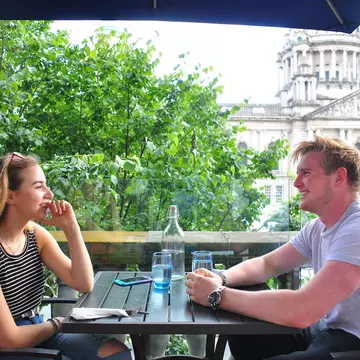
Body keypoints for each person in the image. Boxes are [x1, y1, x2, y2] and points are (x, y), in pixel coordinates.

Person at [185, 136, 360, 360]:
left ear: (339, 177)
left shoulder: (355, 229)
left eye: (305, 173)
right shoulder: (318, 227)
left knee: (235, 304)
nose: (296, 182)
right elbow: (267, 264)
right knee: (246, 297)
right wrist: (221, 278)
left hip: (352, 344)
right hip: (328, 330)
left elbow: (303, 310)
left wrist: (217, 295)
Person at [0, 152, 131, 360]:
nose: (49, 193)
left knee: (116, 353)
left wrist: (71, 227)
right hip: (10, 347)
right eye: (38, 186)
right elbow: (9, 339)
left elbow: (83, 283)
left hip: (38, 330)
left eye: (46, 185)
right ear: (10, 196)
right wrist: (56, 324)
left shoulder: (35, 236)